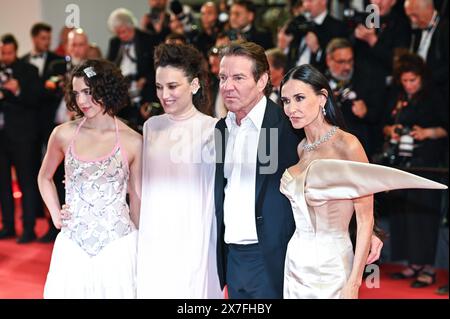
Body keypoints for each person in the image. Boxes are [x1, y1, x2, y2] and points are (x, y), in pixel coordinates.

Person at [214, 40, 384, 299]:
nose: (227, 86)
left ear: (261, 82)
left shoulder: (286, 127)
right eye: (222, 77)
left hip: (278, 257)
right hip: (244, 258)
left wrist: (371, 230)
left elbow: (347, 185)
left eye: (238, 77)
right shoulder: (222, 130)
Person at [279, 63, 447, 298]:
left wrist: (354, 282)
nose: (291, 108)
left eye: (299, 98)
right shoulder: (301, 148)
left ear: (321, 98)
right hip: (295, 261)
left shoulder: (348, 145)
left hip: (333, 264)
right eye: (286, 101)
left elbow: (365, 216)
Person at [37, 59, 142, 298]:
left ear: (107, 89)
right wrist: (55, 214)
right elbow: (44, 178)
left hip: (118, 242)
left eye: (88, 91)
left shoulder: (133, 140)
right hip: (73, 242)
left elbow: (136, 196)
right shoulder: (63, 134)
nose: (82, 101)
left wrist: (141, 241)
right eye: (77, 93)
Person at [137, 43, 222, 298]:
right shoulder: (151, 126)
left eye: (173, 86)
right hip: (155, 233)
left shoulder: (213, 129)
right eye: (159, 87)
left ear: (194, 85)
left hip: (193, 234)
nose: (165, 95)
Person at [382, 53, 448, 288]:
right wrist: (392, 131)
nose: (409, 85)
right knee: (404, 216)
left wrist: (427, 133)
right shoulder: (398, 96)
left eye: (413, 80)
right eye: (405, 80)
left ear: (422, 78)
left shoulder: (434, 97)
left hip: (427, 164)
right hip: (402, 162)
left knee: (425, 217)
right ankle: (413, 262)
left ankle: (428, 267)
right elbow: (383, 124)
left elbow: (445, 128)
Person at [0, 34, 42, 243]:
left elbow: (36, 100)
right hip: (1, 137)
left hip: (23, 136)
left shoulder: (29, 71)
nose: (5, 56)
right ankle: (8, 225)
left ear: (15, 51)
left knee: (26, 182)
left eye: (9, 52)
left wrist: (17, 90)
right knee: (3, 184)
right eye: (2, 53)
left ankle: (29, 228)